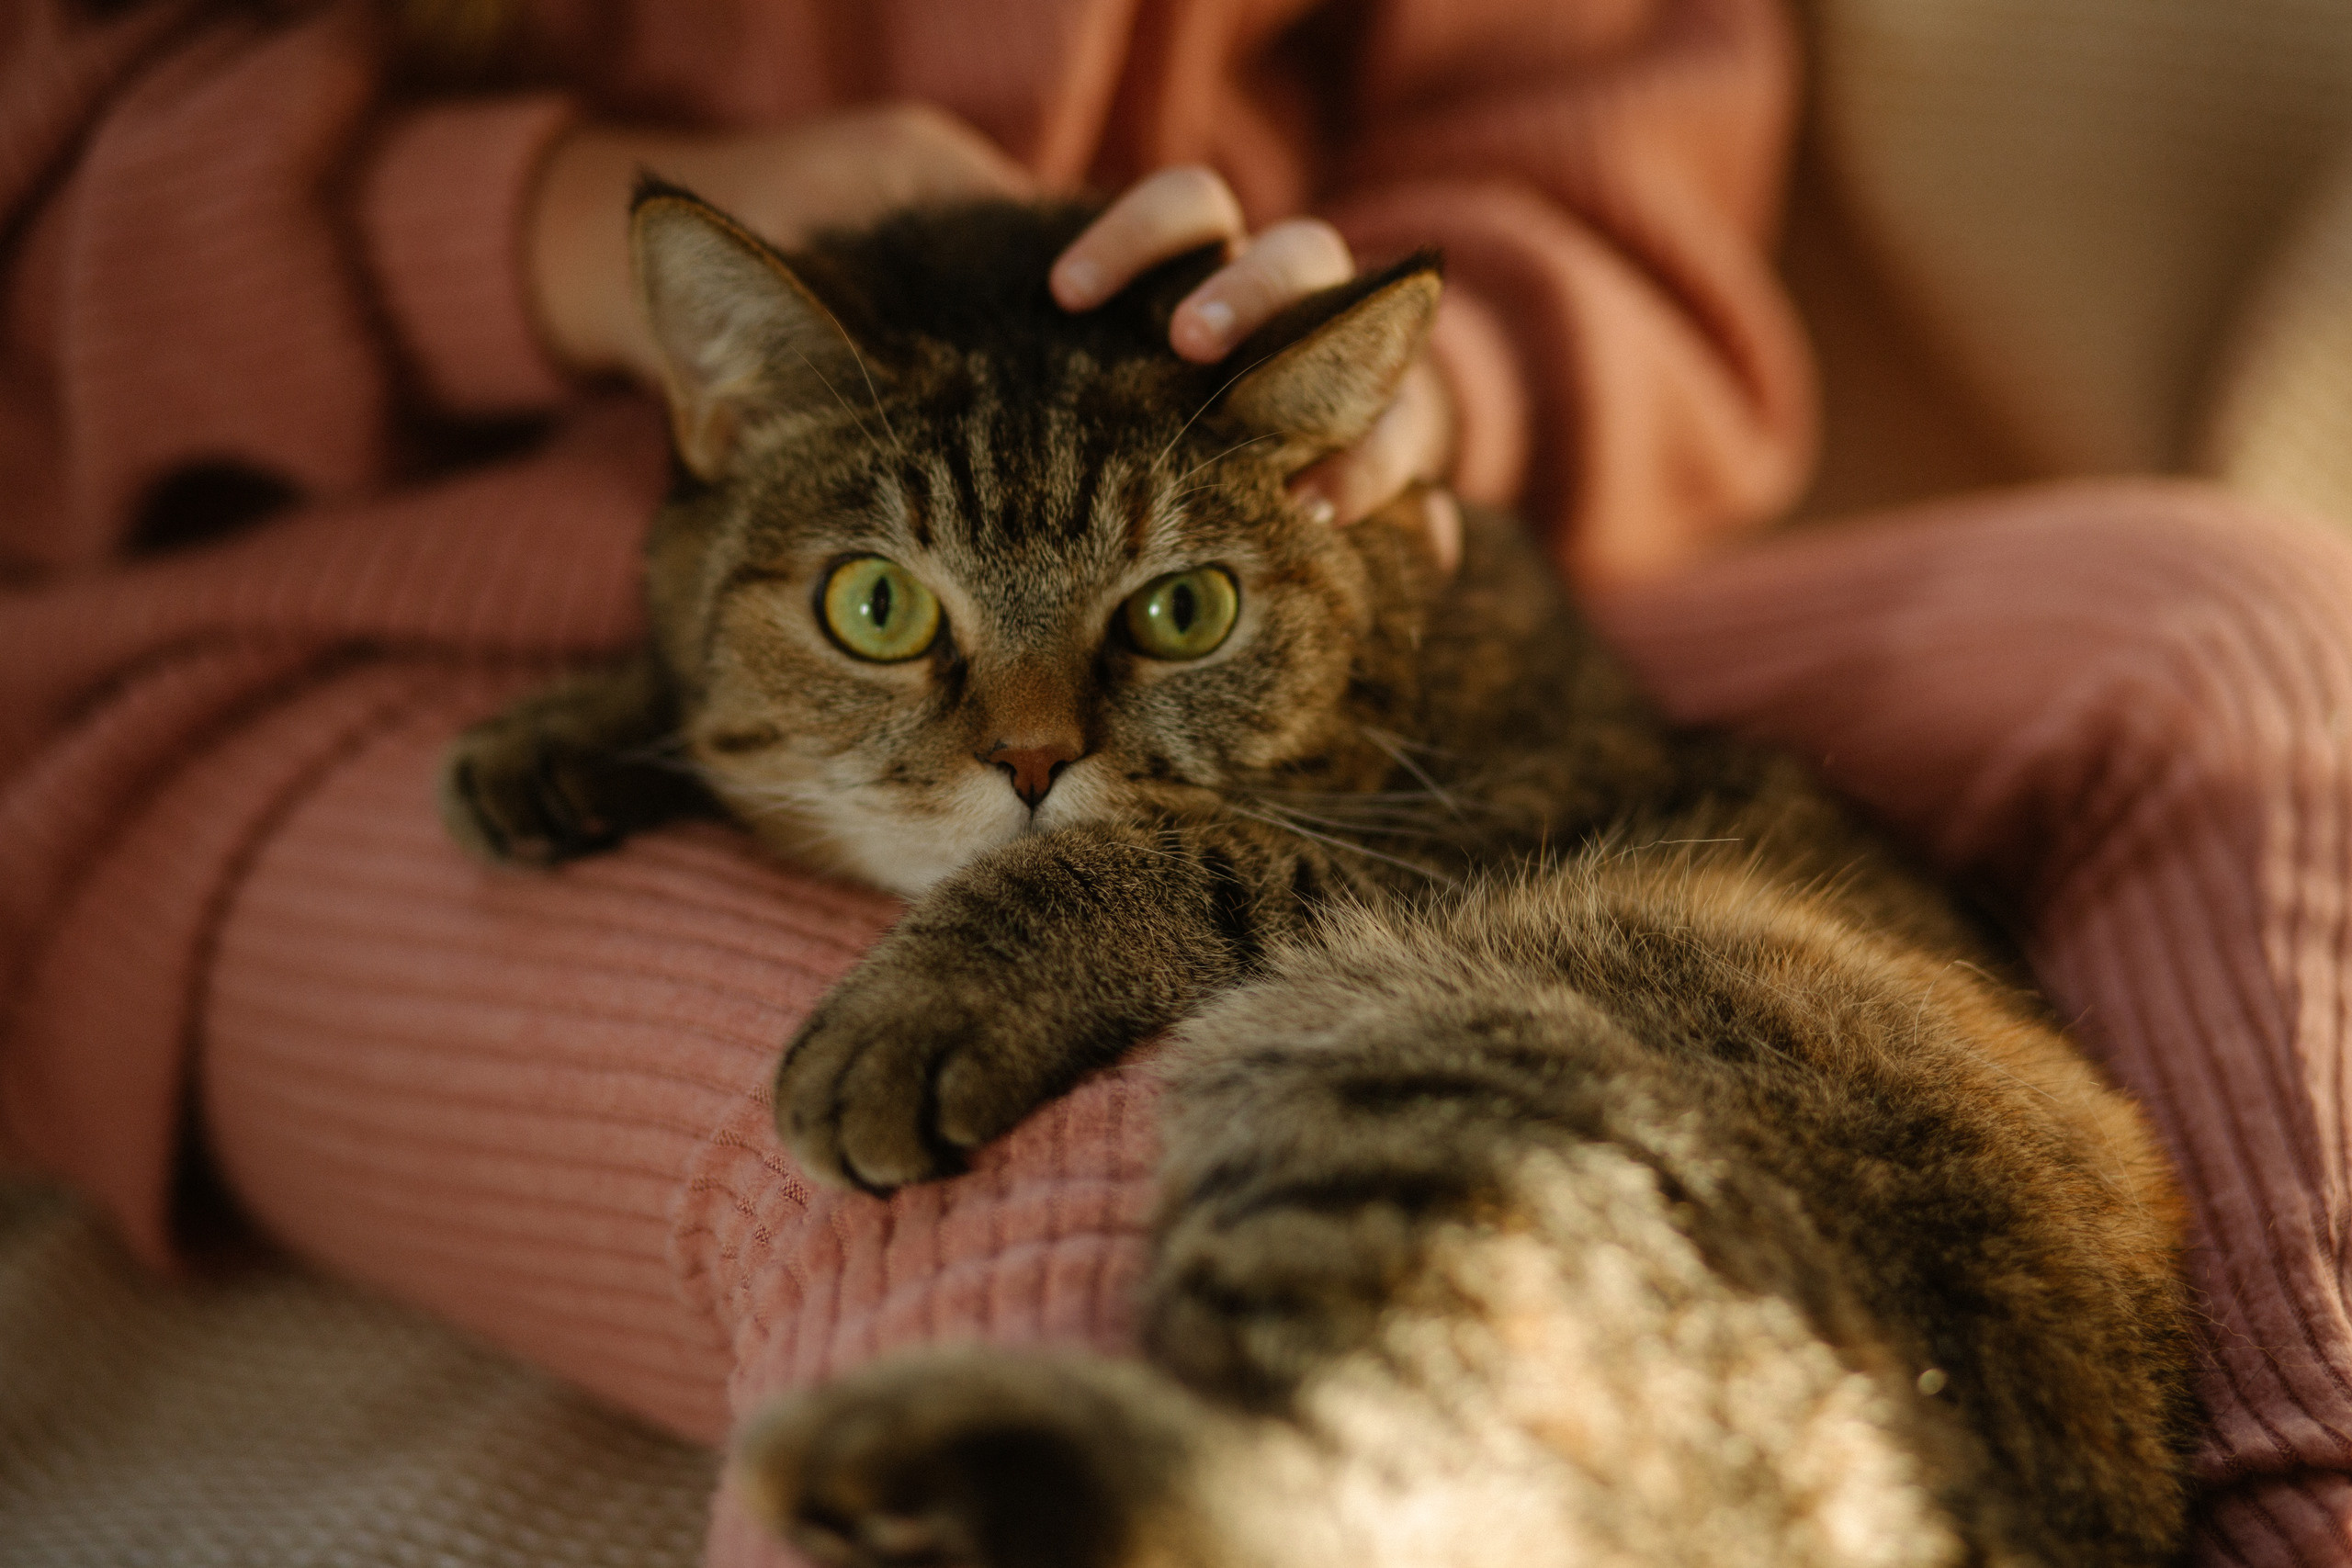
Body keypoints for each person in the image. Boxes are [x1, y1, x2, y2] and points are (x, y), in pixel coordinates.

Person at [2, 2, 2346, 1562]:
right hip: (306, 652)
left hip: (1283, 547)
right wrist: (552, 217)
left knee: (2224, 613)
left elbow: (1592, 180)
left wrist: (1411, 399)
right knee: (1038, 1162)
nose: (1024, 755)